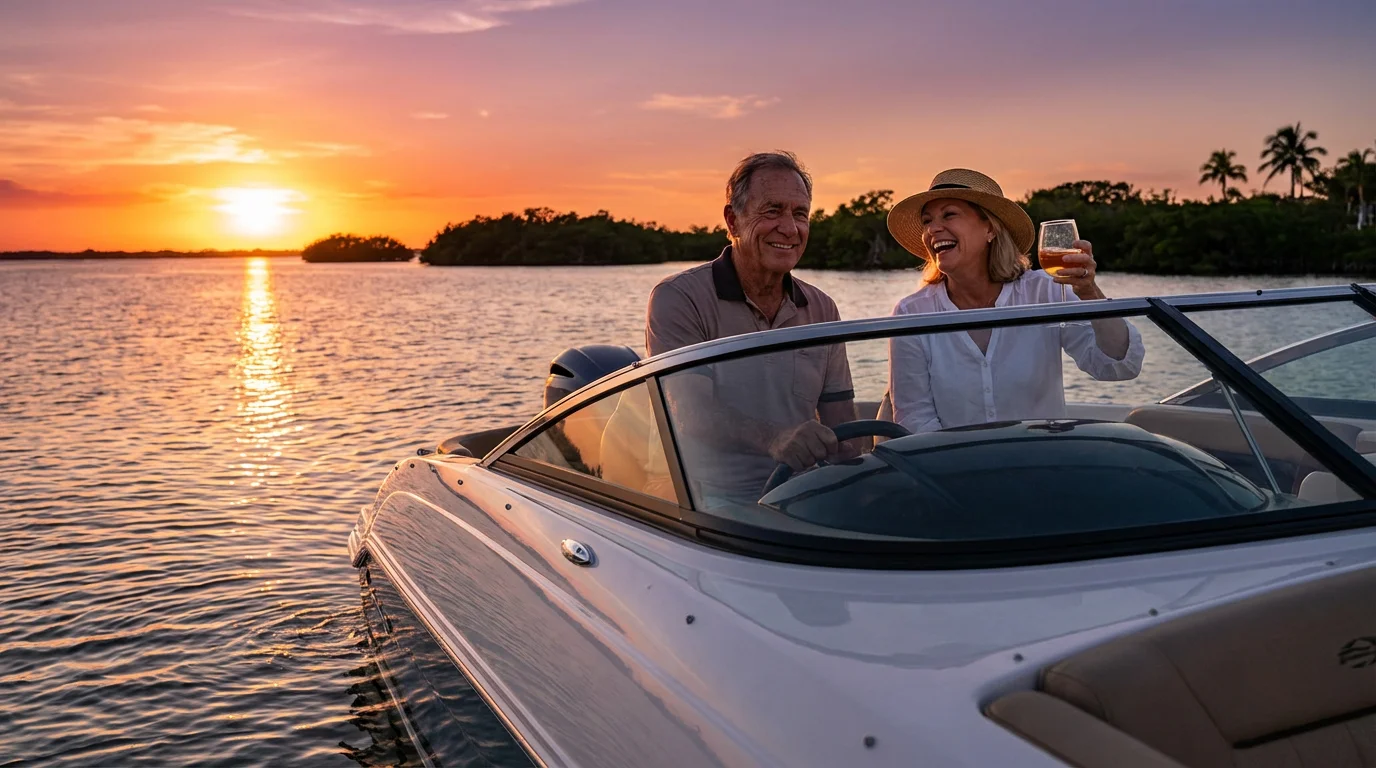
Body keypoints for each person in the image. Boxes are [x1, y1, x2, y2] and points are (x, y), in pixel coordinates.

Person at [646, 151, 857, 503]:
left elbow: (844, 430)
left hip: (803, 493)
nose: (789, 229)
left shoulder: (822, 308)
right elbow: (689, 413)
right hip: (708, 501)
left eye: (800, 214)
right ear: (733, 221)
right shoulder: (678, 298)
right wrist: (775, 438)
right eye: (772, 210)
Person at [884, 169, 1144, 432]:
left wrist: (1090, 293)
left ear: (990, 228)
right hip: (954, 466)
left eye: (949, 214)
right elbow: (914, 415)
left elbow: (1119, 366)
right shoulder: (911, 312)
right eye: (927, 221)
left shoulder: (1046, 291)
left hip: (1041, 463)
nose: (933, 229)